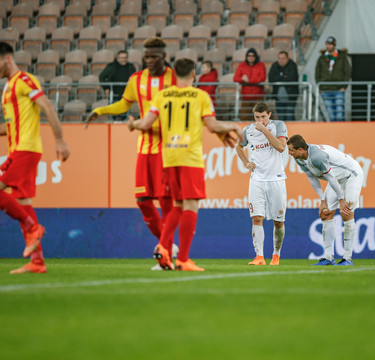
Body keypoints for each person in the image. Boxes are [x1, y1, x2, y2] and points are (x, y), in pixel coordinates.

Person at [128, 58, 243, 271]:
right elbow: (212, 125)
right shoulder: (200, 96)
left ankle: (163, 247)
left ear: (175, 75)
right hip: (190, 157)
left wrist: (132, 123)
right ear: (193, 75)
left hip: (169, 158)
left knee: (178, 205)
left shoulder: (162, 95)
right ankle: (182, 259)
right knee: (191, 205)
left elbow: (145, 124)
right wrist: (233, 126)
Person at [86, 38, 177, 269]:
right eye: (146, 57)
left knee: (166, 202)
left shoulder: (173, 79)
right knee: (143, 200)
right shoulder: (136, 79)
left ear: (163, 56)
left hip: (167, 148)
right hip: (144, 148)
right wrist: (101, 110)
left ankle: (165, 250)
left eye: (154, 56)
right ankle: (165, 244)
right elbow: (124, 105)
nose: (149, 60)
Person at [0, 42, 70, 274]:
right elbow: (12, 125)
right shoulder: (8, 87)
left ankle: (33, 228)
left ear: (7, 59)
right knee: (23, 203)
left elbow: (47, 106)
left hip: (25, 149)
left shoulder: (24, 80)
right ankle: (37, 262)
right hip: (17, 150)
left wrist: (59, 139)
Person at [287, 134, 363, 266]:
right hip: (336, 179)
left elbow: (331, 178)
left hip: (351, 175)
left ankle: (347, 258)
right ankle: (329, 258)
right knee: (325, 213)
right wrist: (322, 200)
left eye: (291, 150)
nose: (289, 153)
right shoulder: (299, 158)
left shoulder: (317, 156)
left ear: (300, 150)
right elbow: (312, 178)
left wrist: (341, 200)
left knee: (346, 213)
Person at [235, 102, 287, 266]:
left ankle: (276, 256)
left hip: (276, 179)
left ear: (269, 115)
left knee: (278, 222)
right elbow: (239, 146)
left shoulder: (278, 126)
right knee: (257, 218)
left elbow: (280, 147)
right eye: (257, 117)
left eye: (263, 117)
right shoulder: (248, 130)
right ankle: (259, 257)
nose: (260, 120)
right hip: (257, 179)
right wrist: (245, 162)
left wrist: (264, 130)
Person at [315, 36, 351, 121]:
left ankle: (341, 132)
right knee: (331, 114)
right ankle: (333, 133)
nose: (328, 46)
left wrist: (344, 86)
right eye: (327, 44)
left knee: (340, 113)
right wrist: (320, 87)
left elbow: (348, 72)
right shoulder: (321, 58)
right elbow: (317, 73)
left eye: (330, 44)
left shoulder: (342, 57)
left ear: (334, 45)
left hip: (338, 89)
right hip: (325, 89)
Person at [234, 48, 266, 121]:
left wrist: (248, 80)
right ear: (246, 57)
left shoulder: (261, 65)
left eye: (252, 56)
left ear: (256, 57)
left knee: (259, 119)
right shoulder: (241, 65)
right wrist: (242, 79)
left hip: (258, 96)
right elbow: (235, 78)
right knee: (244, 118)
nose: (250, 57)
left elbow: (262, 78)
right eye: (249, 56)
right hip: (245, 97)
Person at [268, 51, 299, 121]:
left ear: (287, 58)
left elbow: (292, 78)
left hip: (291, 98)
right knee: (281, 120)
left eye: (283, 58)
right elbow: (271, 79)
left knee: (290, 118)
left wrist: (279, 77)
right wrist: (283, 76)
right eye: (279, 58)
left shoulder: (292, 65)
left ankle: (291, 132)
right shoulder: (274, 66)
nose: (281, 60)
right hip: (278, 99)